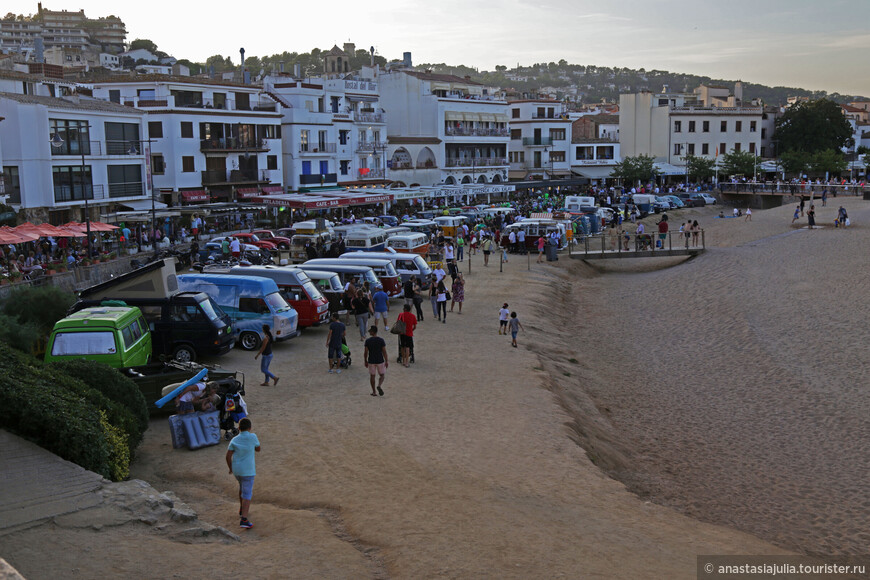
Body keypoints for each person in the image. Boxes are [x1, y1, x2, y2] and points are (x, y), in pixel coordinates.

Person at [226, 417, 260, 529]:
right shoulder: (253, 437)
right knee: (247, 494)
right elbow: (258, 449)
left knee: (242, 487)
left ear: (239, 428)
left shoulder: (234, 440)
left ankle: (242, 508)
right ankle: (244, 519)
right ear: (250, 428)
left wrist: (231, 468)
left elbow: (228, 456)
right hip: (248, 471)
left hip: (237, 470)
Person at [364, 325, 388, 396]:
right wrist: (386, 360)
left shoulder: (368, 341)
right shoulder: (381, 340)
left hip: (371, 360)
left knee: (372, 376)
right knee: (382, 375)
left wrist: (365, 360)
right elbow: (384, 352)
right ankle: (379, 385)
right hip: (380, 359)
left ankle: (374, 391)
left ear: (372, 332)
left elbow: (366, 352)